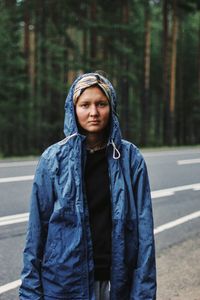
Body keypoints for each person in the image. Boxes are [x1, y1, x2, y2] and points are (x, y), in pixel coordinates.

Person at [19, 72, 156, 300]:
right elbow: (36, 232)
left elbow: (144, 236)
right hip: (64, 284)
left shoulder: (131, 159)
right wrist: (30, 293)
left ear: (111, 108)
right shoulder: (52, 160)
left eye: (101, 104)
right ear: (73, 109)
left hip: (116, 283)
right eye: (85, 105)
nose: (93, 112)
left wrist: (143, 293)